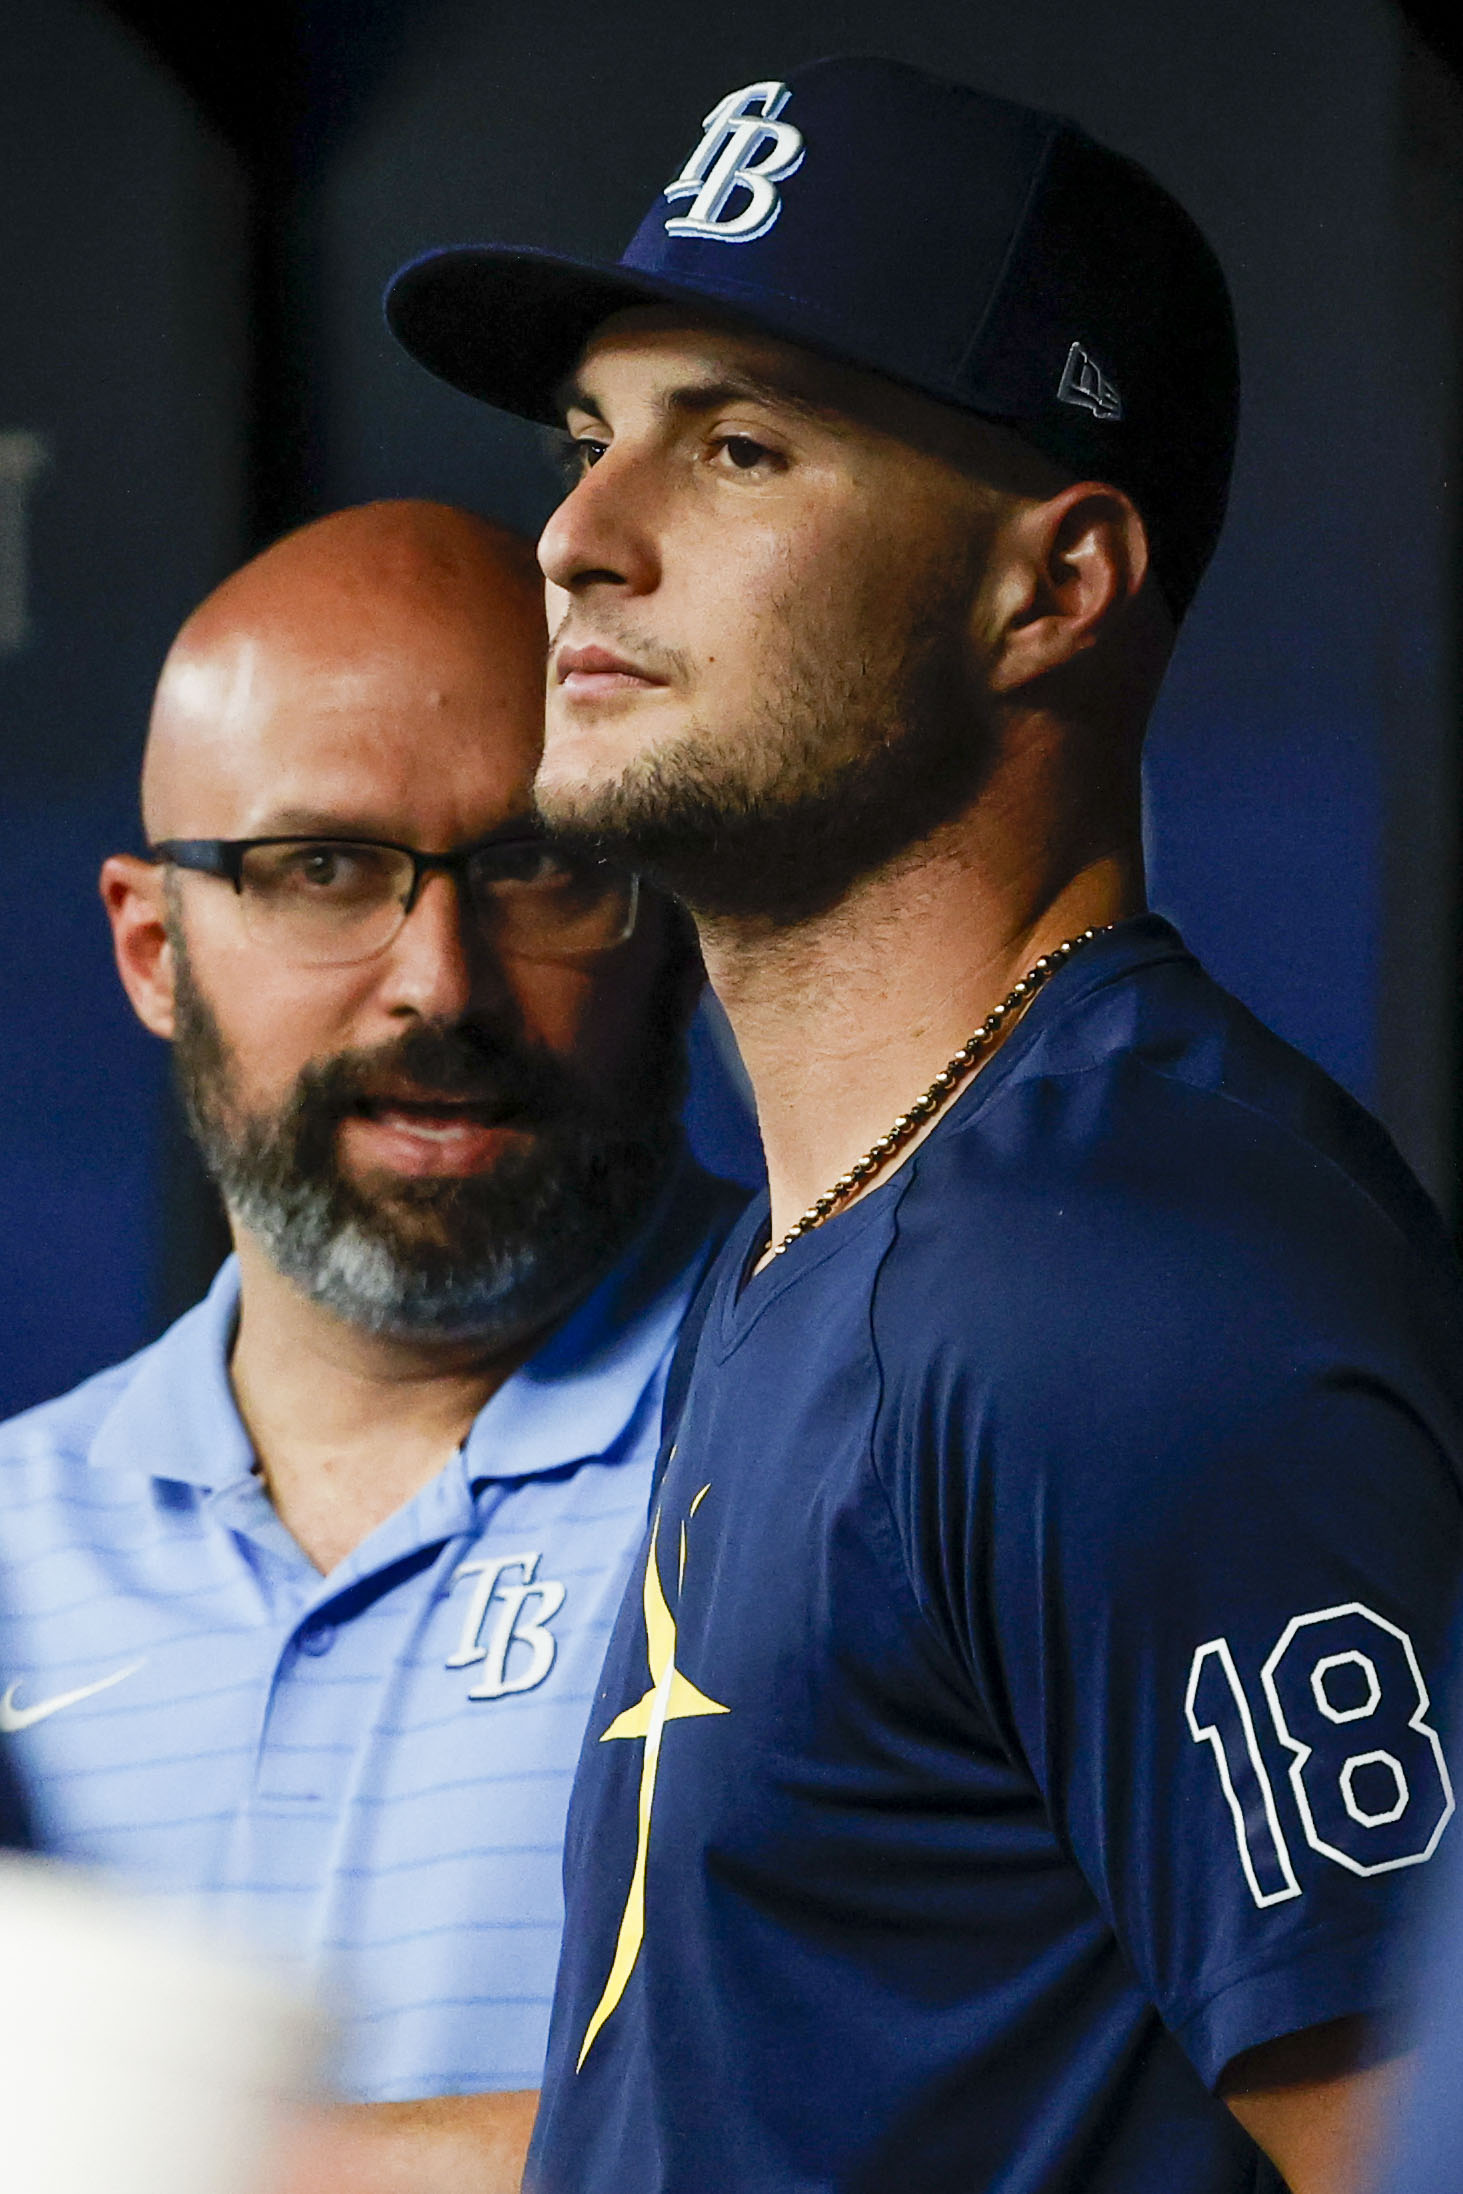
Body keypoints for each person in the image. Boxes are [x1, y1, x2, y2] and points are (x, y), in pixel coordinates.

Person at [386, 58, 1463, 2194]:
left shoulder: (1132, 1288)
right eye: (591, 443)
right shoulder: (856, 1223)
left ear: (1052, 585)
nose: (581, 538)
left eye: (741, 446)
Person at [0, 500, 741, 2194]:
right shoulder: (13, 1541)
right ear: (148, 948)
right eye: (320, 868)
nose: (439, 980)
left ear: (673, 928)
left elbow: (1053, 2100)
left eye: (542, 864)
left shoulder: (875, 1449)